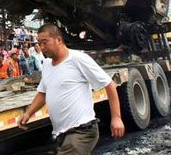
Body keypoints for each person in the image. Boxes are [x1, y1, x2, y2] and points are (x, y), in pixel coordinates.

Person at [18, 24, 125, 154]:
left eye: (45, 42)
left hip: (81, 132)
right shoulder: (46, 64)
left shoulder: (78, 59)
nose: (42, 47)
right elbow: (42, 93)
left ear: (58, 40)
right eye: (39, 43)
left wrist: (116, 118)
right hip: (61, 135)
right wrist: (28, 113)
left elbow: (109, 84)